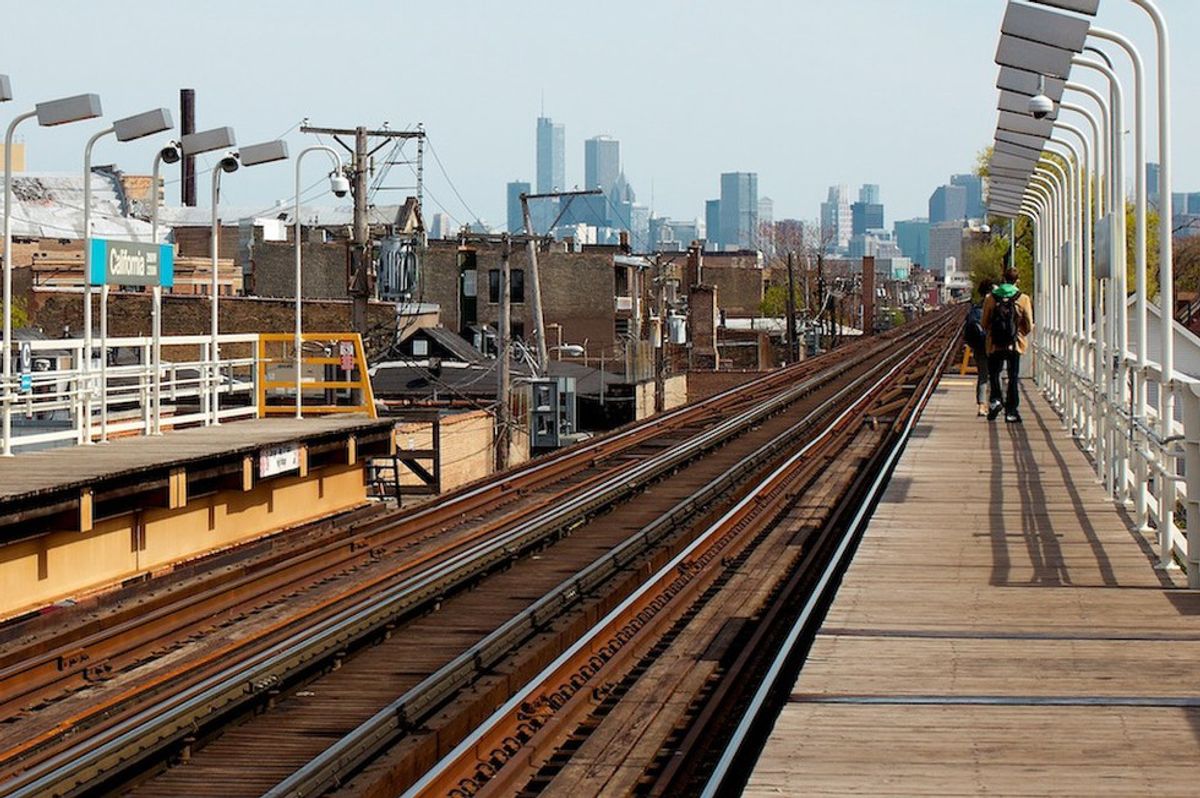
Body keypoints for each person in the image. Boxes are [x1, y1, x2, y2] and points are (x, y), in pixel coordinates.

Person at [981, 267, 1034, 423]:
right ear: (1017, 281)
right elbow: (1029, 324)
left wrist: (992, 331)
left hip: (994, 343)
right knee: (1013, 376)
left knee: (995, 374)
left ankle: (996, 401)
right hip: (1014, 343)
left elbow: (984, 322)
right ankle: (1011, 410)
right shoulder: (1023, 298)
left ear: (1003, 279)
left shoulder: (991, 298)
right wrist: (1019, 333)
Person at [963, 278, 994, 416]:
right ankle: (994, 403)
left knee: (982, 376)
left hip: (979, 347)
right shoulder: (995, 307)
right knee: (995, 375)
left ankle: (982, 406)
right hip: (994, 346)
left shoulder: (976, 309)